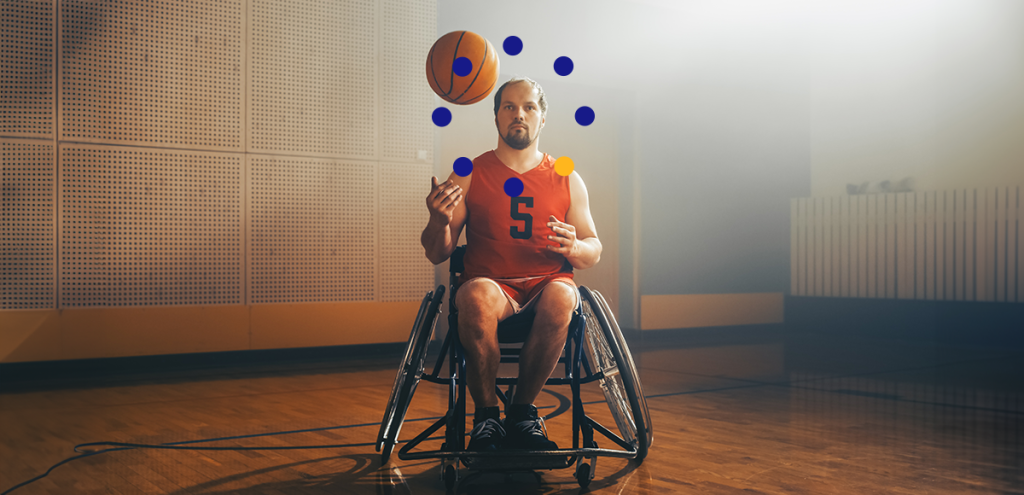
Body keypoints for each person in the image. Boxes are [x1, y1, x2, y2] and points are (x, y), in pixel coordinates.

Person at [420, 77, 602, 451]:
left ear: (542, 118)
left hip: (547, 283)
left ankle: (522, 414)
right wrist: (438, 221)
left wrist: (575, 247)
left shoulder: (567, 176)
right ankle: (487, 418)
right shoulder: (470, 173)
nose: (519, 114)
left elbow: (593, 248)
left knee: (562, 297)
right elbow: (437, 252)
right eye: (509, 106)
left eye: (529, 107)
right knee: (475, 295)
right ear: (497, 117)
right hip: (492, 286)